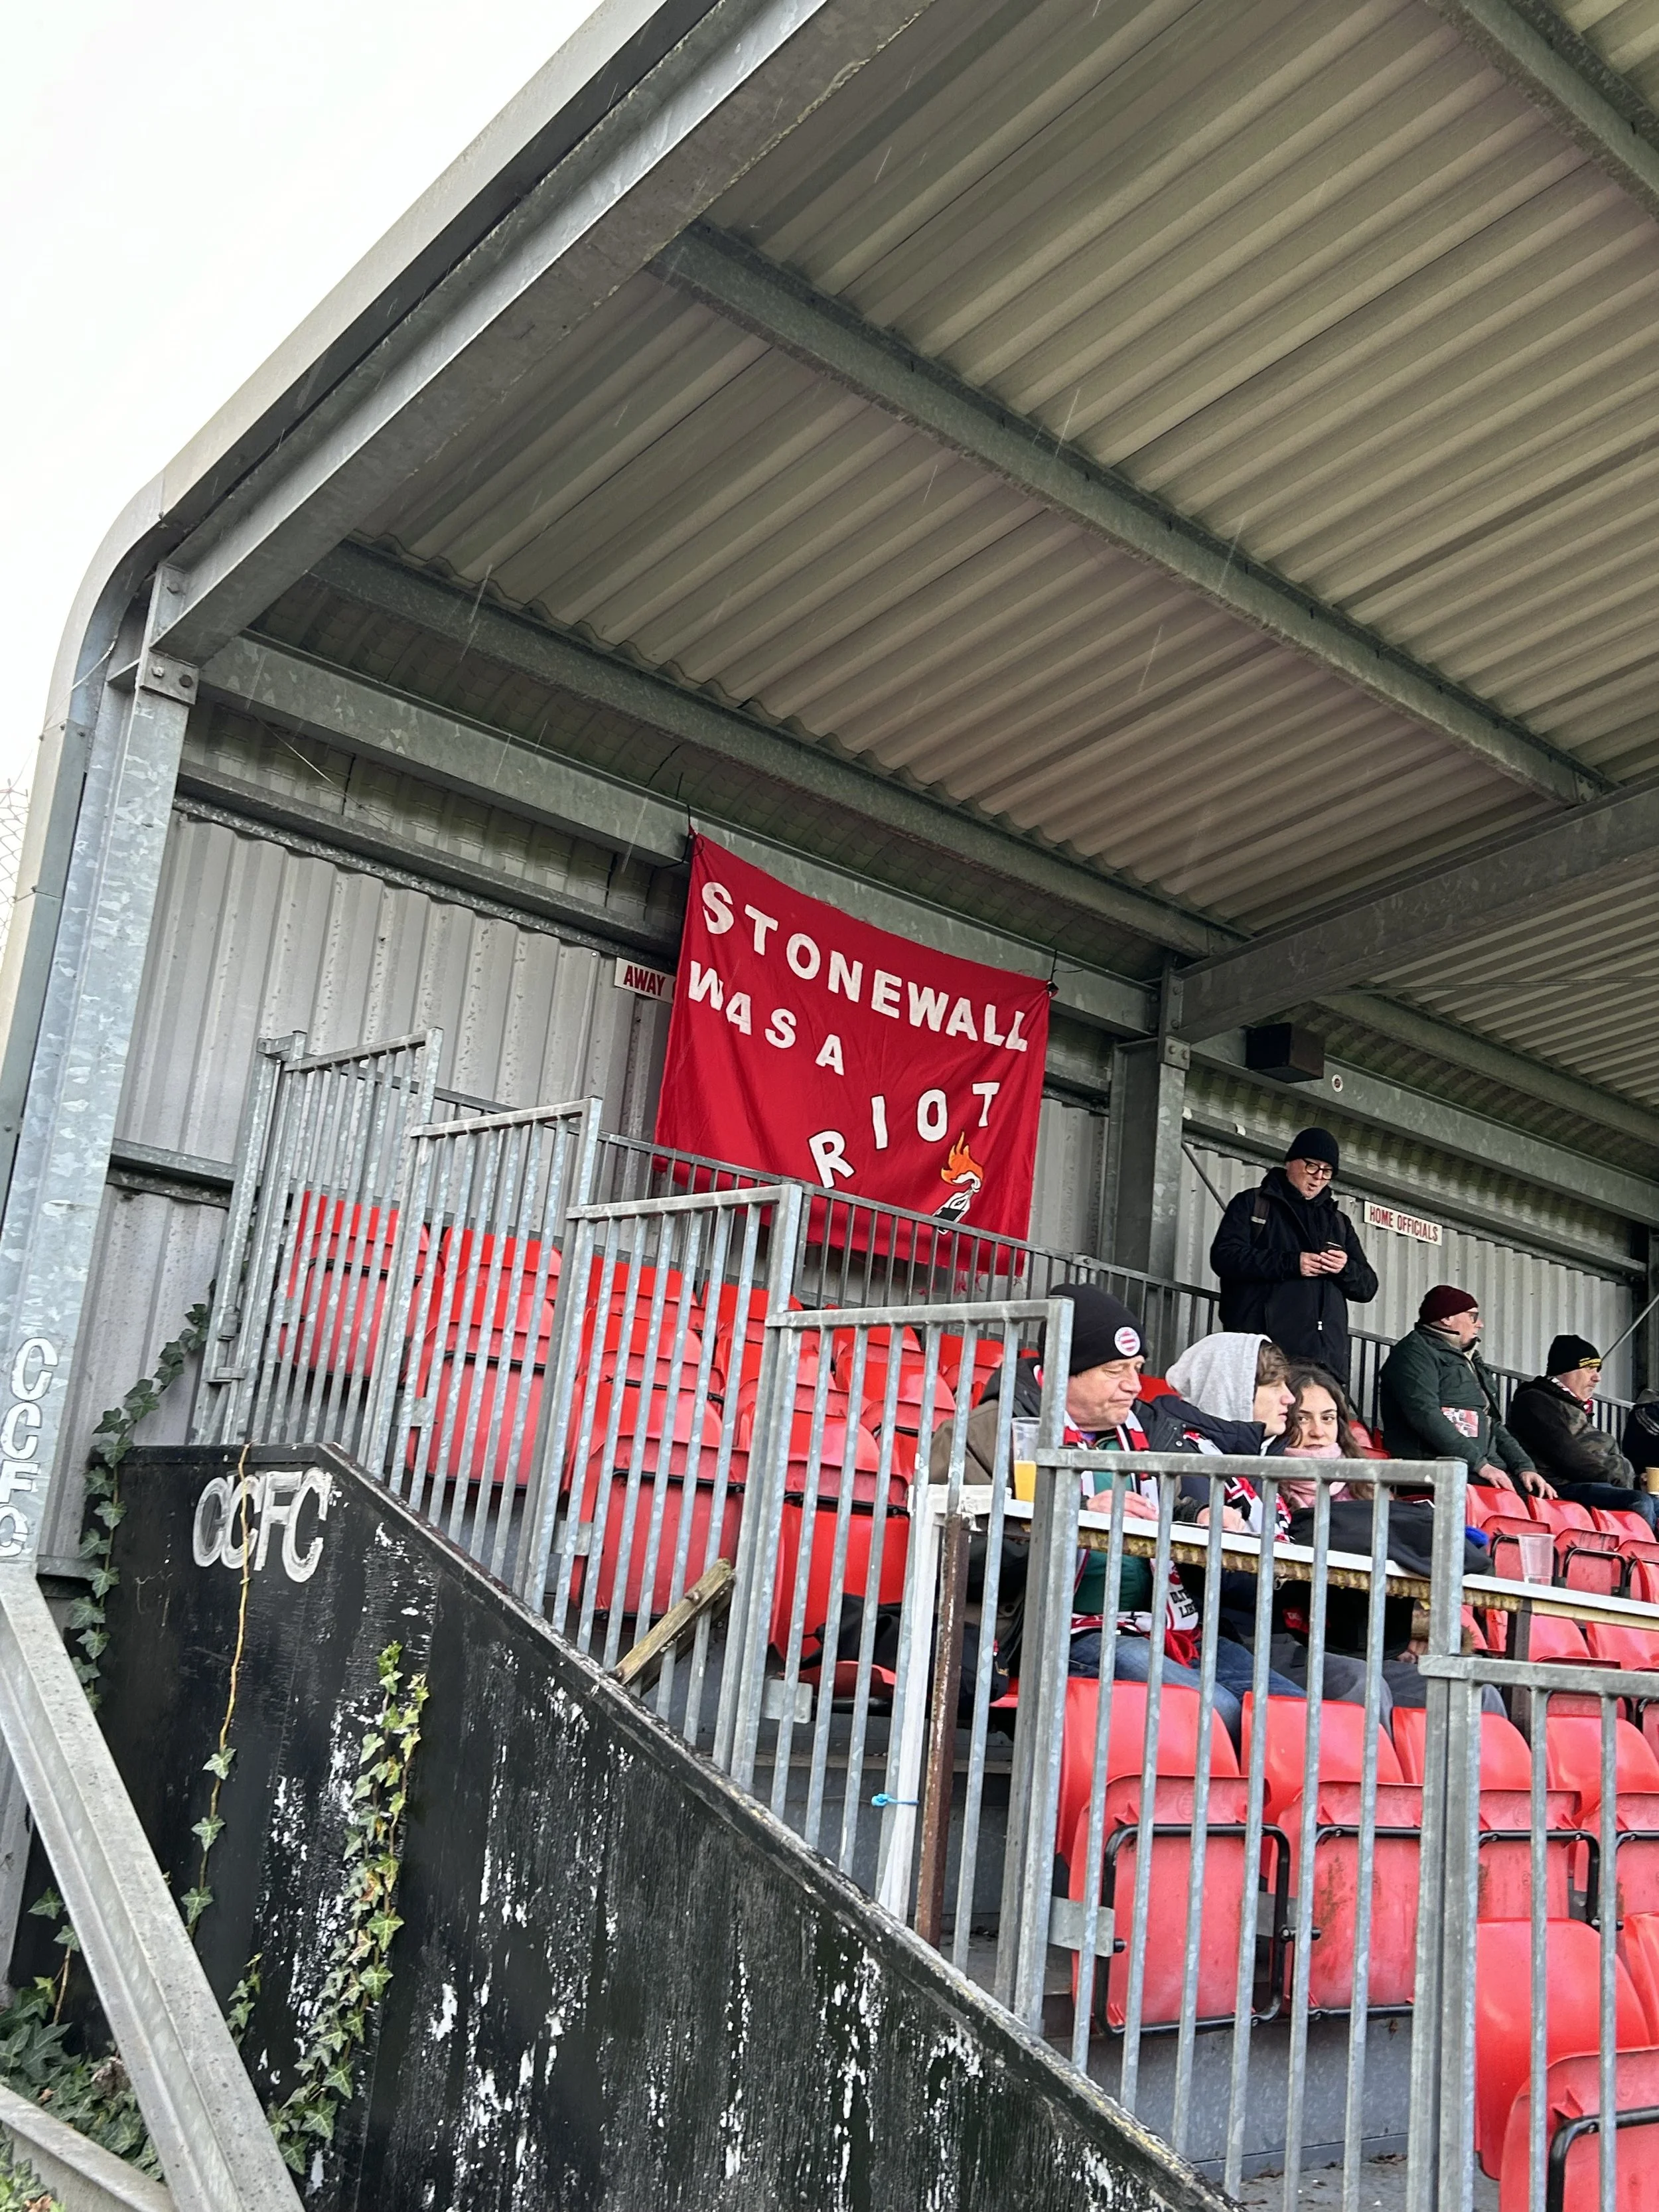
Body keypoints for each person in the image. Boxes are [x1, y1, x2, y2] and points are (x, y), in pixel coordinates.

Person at [930, 1285, 1302, 1737]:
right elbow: (955, 1555)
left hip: (1172, 1630)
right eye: (1114, 1370)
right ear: (1062, 1372)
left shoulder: (1151, 1430)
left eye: (1138, 1368)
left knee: (1295, 1715)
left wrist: (1202, 1519)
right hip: (1051, 1633)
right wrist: (1081, 1515)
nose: (1133, 1384)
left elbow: (1173, 1508)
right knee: (1213, 1711)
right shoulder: (983, 1434)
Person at [1208, 1129, 1378, 1386]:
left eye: (1327, 1171)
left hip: (1324, 1361)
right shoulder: (1253, 1204)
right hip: (1265, 1354)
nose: (1319, 1178)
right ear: (1291, 1162)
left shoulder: (1339, 1223)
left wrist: (1344, 1268)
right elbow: (1224, 1257)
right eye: (1312, 1167)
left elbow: (1367, 1288)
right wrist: (1291, 1263)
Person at [1377, 1286, 1548, 1498]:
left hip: (1479, 1466)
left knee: (1542, 1496)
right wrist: (1479, 1464)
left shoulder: (1470, 1359)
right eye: (1473, 1316)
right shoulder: (1414, 1353)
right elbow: (1425, 1415)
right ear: (1447, 1318)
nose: (1480, 1324)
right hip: (1436, 1467)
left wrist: (1525, 1467)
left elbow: (1491, 1422)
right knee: (1514, 1501)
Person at [1505, 1336, 1658, 1530]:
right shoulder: (1535, 1401)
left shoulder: (1573, 1407)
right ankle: (1642, 1558)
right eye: (1590, 1368)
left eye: (1598, 1370)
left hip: (1596, 1485)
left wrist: (1636, 1481)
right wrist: (1618, 1480)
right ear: (1566, 1369)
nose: (1597, 1377)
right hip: (1562, 1486)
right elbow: (1566, 1455)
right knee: (1639, 1502)